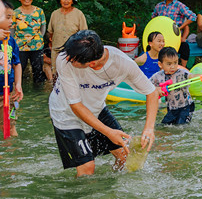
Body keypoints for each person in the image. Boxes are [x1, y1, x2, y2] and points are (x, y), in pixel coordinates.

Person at [48, 30, 159, 176]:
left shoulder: (122, 64)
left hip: (96, 108)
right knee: (87, 167)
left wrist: (149, 128)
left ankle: (111, 186)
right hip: (65, 114)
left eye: (72, 58)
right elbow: (76, 105)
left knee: (126, 157)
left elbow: (152, 92)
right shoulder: (65, 60)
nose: (67, 57)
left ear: (91, 64)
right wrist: (108, 132)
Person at [152, 0, 195, 66]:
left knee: (185, 47)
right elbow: (153, 18)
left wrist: (180, 28)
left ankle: (183, 69)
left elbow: (193, 16)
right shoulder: (159, 6)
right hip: (162, 38)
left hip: (176, 38)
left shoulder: (179, 5)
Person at [148, 47, 196, 125]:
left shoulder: (181, 73)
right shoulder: (158, 76)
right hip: (171, 108)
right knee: (163, 126)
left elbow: (192, 76)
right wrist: (157, 89)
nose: (173, 66)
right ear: (160, 64)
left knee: (180, 126)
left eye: (175, 62)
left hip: (186, 106)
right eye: (169, 64)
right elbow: (147, 84)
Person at [47, 0, 88, 78]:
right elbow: (50, 32)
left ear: (72, 1)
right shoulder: (55, 14)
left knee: (73, 75)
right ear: (60, 0)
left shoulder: (79, 14)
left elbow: (84, 34)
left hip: (73, 51)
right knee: (56, 75)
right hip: (56, 50)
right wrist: (51, 44)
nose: (66, 1)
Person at [12, 0, 47, 84]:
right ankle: (18, 91)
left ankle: (38, 94)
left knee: (38, 73)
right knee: (19, 71)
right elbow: (12, 30)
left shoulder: (39, 11)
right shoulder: (15, 13)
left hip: (37, 46)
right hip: (20, 47)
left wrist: (38, 38)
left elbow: (43, 27)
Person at [1, 1, 23, 136]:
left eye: (12, 18)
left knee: (10, 128)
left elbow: (17, 64)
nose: (11, 21)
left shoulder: (11, 41)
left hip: (7, 92)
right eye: (7, 17)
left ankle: (11, 154)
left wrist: (18, 84)